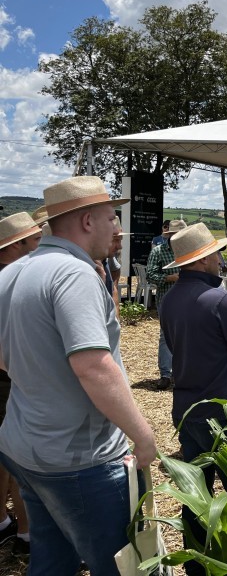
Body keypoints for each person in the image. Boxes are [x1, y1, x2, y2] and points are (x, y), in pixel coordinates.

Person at [0, 176, 157, 575]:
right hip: (79, 460)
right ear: (87, 221)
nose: (117, 227)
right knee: (122, 565)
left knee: (52, 557)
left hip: (23, 447)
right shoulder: (74, 275)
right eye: (111, 217)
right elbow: (94, 366)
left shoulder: (12, 274)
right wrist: (142, 435)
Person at [158, 223, 227, 576]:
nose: (219, 257)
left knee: (196, 494)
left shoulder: (168, 301)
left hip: (187, 411)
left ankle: (197, 565)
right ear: (201, 260)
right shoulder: (221, 299)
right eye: (215, 252)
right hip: (226, 411)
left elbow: (174, 347)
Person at [0, 212, 41, 558]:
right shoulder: (14, 284)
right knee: (18, 458)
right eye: (35, 242)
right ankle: (28, 535)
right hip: (10, 383)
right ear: (14, 247)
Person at [147, 219, 187, 390]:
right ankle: (165, 374)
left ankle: (184, 373)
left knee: (187, 335)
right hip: (166, 298)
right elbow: (150, 275)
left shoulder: (190, 251)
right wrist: (170, 278)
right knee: (166, 336)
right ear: (169, 236)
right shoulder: (158, 251)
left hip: (188, 299)